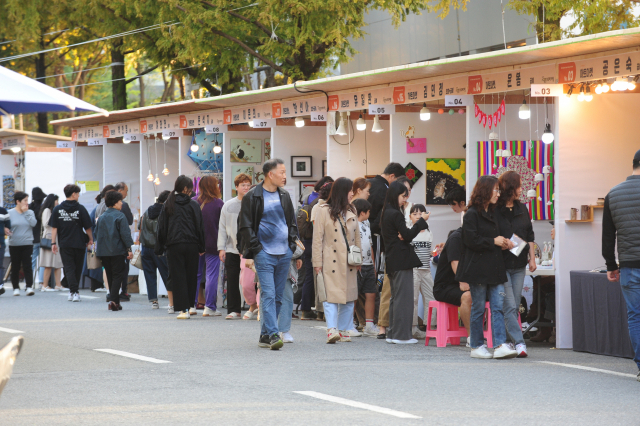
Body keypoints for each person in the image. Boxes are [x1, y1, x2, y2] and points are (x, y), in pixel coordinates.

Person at [238, 158, 298, 350]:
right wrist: (257, 249)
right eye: (281, 172)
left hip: (284, 253)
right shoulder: (252, 196)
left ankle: (264, 335)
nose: (284, 176)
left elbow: (292, 223)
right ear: (270, 174)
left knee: (279, 295)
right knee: (269, 294)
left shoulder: (284, 195)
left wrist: (291, 245)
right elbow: (245, 226)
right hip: (264, 253)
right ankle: (273, 333)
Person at [456, 175, 517, 359]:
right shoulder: (471, 213)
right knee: (479, 308)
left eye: (499, 190)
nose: (498, 194)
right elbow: (470, 240)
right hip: (478, 268)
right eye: (495, 190)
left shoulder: (494, 212)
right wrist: (494, 241)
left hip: (495, 267)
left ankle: (499, 345)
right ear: (485, 190)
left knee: (497, 307)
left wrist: (506, 242)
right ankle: (476, 346)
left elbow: (500, 235)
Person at [602, 149, 640, 382]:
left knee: (636, 316)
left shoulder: (613, 194)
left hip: (628, 266)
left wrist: (610, 265)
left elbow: (608, 236)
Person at [312, 177, 361, 343]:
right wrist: (317, 262)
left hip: (349, 261)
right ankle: (332, 329)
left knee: (348, 296)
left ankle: (343, 328)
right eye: (350, 190)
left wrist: (358, 258)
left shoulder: (352, 210)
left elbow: (357, 237)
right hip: (330, 260)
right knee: (330, 296)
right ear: (342, 192)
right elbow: (317, 238)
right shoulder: (322, 210)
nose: (352, 194)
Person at [380, 182, 428, 344]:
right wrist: (421, 222)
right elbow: (407, 235)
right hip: (401, 259)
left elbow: (403, 234)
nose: (405, 199)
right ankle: (402, 336)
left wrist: (405, 232)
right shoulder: (395, 213)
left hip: (392, 259)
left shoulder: (386, 212)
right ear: (395, 195)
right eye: (403, 196)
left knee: (396, 298)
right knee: (404, 299)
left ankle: (393, 334)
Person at [157, 175, 205, 319]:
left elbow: (162, 228)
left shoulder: (169, 203)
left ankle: (182, 309)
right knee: (191, 276)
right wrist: (202, 246)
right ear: (186, 188)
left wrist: (159, 247)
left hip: (174, 245)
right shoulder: (194, 205)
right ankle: (190, 306)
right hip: (191, 245)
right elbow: (200, 227)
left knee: (178, 277)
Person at [498, 171, 535, 358]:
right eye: (519, 186)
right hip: (501, 264)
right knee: (510, 305)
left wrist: (532, 258)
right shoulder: (496, 208)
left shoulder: (522, 208)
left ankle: (508, 342)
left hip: (519, 264)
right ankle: (520, 343)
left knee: (514, 303)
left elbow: (529, 235)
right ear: (511, 187)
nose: (522, 189)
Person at [51, 184, 94, 302]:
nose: (79, 196)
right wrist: (91, 239)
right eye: (78, 193)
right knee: (77, 268)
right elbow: (88, 227)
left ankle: (72, 292)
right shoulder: (81, 209)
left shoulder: (57, 209)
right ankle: (75, 291)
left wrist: (53, 243)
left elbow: (54, 228)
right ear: (74, 194)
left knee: (69, 268)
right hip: (79, 243)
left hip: (64, 243)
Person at [219, 173, 252, 319]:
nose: (246, 187)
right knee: (232, 279)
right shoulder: (228, 205)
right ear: (236, 187)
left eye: (248, 184)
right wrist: (221, 247)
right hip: (232, 247)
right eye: (243, 185)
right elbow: (222, 227)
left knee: (251, 280)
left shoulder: (253, 203)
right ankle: (234, 309)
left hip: (249, 249)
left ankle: (254, 306)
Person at [191, 176, 224, 317]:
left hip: (194, 244)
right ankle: (209, 307)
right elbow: (222, 227)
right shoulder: (219, 203)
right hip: (213, 244)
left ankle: (190, 305)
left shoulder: (192, 202)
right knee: (211, 275)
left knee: (194, 275)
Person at [95, 191, 134, 310]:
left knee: (110, 275)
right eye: (120, 201)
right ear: (115, 203)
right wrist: (129, 249)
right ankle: (113, 300)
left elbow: (97, 234)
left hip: (103, 251)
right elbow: (125, 235)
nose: (121, 203)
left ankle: (115, 301)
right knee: (118, 275)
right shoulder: (120, 216)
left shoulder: (101, 217)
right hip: (117, 250)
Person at [433, 228, 472, 336]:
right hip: (445, 286)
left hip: (464, 283)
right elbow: (455, 263)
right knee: (468, 296)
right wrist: (463, 281)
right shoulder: (456, 238)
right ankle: (472, 337)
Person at [139, 191, 171, 310]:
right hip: (159, 248)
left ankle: (154, 301)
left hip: (145, 248)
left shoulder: (147, 211)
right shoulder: (165, 212)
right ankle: (172, 300)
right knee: (166, 274)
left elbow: (139, 227)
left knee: (150, 274)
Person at [353, 198, 378, 337]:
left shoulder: (367, 223)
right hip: (357, 264)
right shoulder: (352, 224)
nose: (370, 214)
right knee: (353, 295)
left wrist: (373, 264)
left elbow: (370, 245)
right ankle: (349, 323)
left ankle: (369, 324)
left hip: (368, 264)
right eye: (368, 211)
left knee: (371, 293)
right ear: (363, 212)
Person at [408, 204, 434, 340]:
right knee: (413, 299)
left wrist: (434, 252)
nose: (418, 216)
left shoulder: (429, 232)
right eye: (415, 214)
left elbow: (427, 251)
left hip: (426, 269)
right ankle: (413, 328)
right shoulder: (410, 231)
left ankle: (431, 326)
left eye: (421, 213)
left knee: (431, 297)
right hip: (414, 270)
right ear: (410, 217)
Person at [8, 192, 37, 296]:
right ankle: (15, 288)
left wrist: (26, 212)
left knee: (27, 265)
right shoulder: (10, 213)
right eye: (25, 200)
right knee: (15, 266)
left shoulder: (30, 212)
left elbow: (33, 223)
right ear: (18, 202)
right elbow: (7, 227)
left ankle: (29, 287)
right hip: (14, 243)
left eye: (27, 200)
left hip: (27, 243)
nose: (27, 203)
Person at [278, 242, 304, 343]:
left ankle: (284, 330)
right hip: (265, 253)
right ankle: (267, 331)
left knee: (287, 295)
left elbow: (294, 234)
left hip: (286, 254)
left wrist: (299, 256)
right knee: (268, 295)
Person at [114, 182, 134, 301]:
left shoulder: (104, 206)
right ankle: (123, 291)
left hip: (110, 243)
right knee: (124, 268)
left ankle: (112, 292)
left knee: (112, 268)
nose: (126, 194)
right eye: (126, 191)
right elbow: (130, 221)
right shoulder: (124, 206)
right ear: (120, 191)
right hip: (121, 242)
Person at [39, 194, 63, 291]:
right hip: (49, 238)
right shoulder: (47, 210)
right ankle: (45, 285)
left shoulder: (50, 210)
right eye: (56, 200)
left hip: (53, 238)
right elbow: (46, 223)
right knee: (48, 263)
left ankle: (58, 284)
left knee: (57, 263)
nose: (57, 202)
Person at [29, 187, 46, 287]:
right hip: (42, 237)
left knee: (32, 261)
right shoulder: (43, 208)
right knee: (43, 261)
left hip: (32, 237)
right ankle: (41, 282)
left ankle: (29, 282)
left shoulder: (29, 208)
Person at [0, 207, 10, 295]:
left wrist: (6, 229)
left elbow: (8, 225)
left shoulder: (3, 211)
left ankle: (0, 285)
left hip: (1, 243)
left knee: (0, 264)